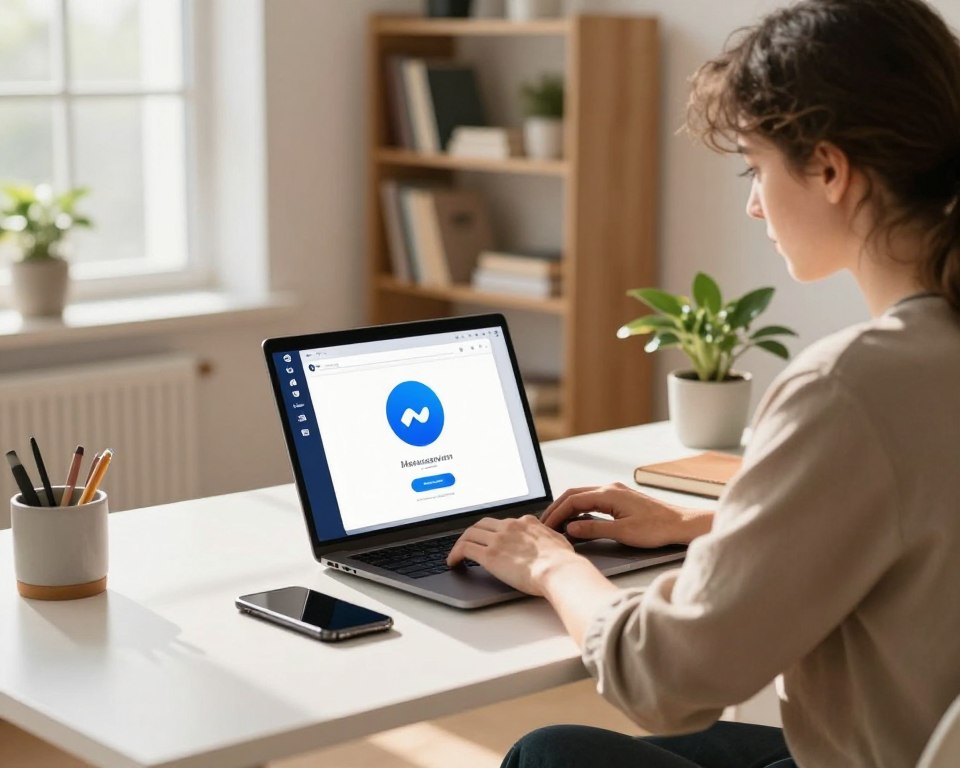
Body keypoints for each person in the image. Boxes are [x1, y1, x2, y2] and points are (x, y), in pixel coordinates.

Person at [446, 1, 960, 765]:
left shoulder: (852, 386)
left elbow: (665, 680)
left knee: (550, 754)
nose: (753, 203)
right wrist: (707, 529)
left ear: (828, 168)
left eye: (756, 168)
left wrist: (551, 565)